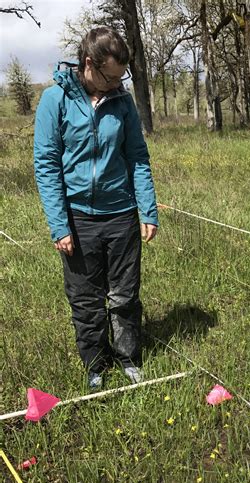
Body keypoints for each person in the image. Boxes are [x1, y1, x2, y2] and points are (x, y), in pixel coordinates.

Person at [34, 27, 158, 389]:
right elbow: (46, 164)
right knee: (86, 299)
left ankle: (129, 357)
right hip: (78, 219)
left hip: (121, 216)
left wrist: (147, 209)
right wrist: (60, 225)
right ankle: (96, 364)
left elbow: (137, 156)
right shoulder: (54, 100)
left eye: (122, 76)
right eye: (110, 76)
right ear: (88, 64)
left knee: (124, 294)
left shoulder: (122, 102)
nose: (116, 83)